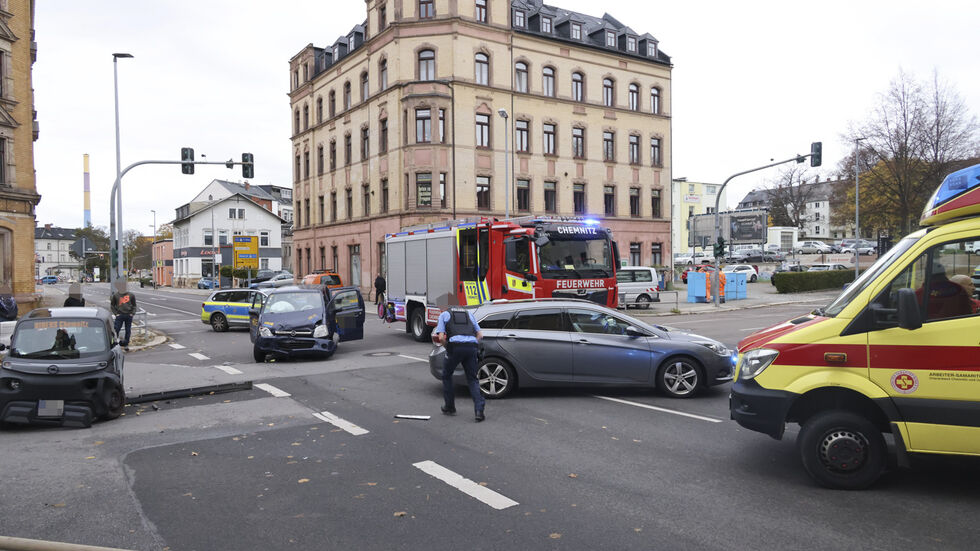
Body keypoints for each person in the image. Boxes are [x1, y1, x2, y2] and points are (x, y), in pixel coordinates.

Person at [434, 306, 485, 422]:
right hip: (471, 348)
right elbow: (480, 335)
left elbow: (441, 338)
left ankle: (450, 407)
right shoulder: (469, 314)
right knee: (472, 379)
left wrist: (448, 348)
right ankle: (479, 411)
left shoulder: (444, 315)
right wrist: (473, 346)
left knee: (447, 375)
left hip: (455, 347)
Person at [110, 280, 136, 351]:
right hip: (120, 315)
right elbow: (112, 305)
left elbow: (134, 305)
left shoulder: (131, 295)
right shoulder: (116, 295)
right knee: (116, 329)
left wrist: (132, 313)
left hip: (128, 315)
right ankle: (115, 342)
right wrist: (116, 313)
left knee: (128, 330)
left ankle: (126, 344)